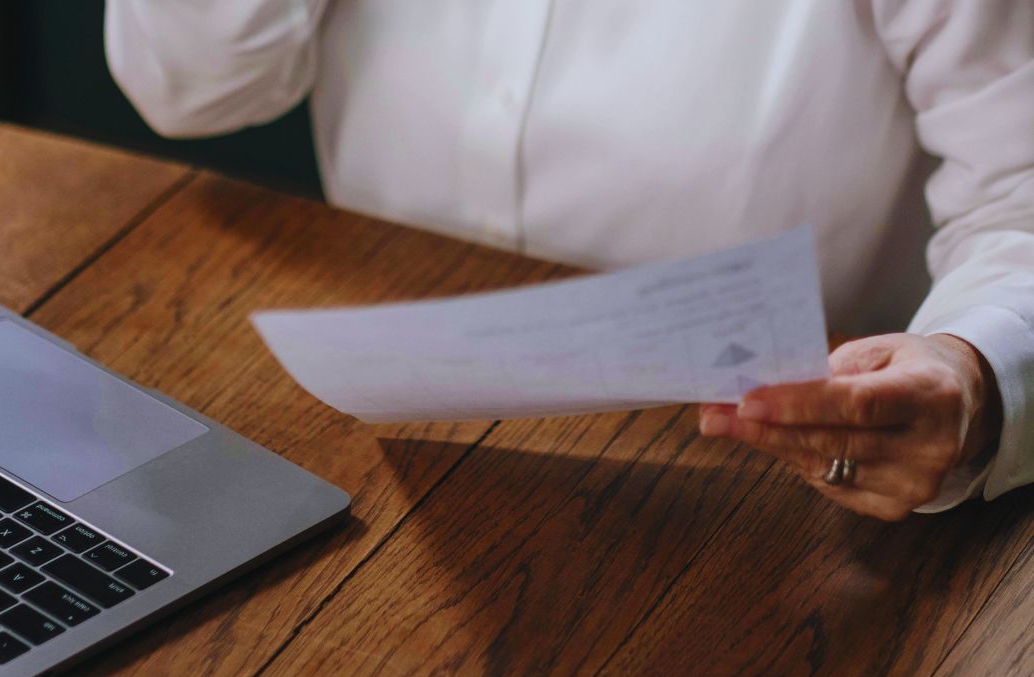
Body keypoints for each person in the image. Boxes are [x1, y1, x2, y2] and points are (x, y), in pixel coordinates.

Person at [105, 1, 1034, 521]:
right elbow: (191, 86)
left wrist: (974, 366)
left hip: (761, 492)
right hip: (367, 445)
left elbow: (1021, 198)